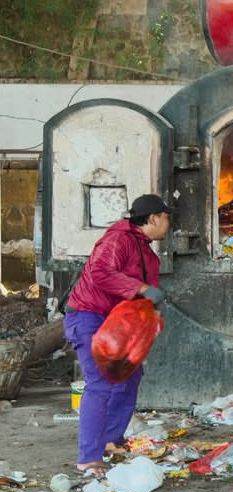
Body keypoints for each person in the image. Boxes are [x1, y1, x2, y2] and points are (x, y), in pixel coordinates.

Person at [63, 194, 169, 473]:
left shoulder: (148, 253)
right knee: (99, 384)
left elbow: (149, 296)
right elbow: (100, 273)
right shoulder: (118, 239)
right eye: (167, 217)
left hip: (117, 323)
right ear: (154, 218)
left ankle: (111, 440)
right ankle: (88, 457)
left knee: (130, 376)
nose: (169, 223)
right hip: (88, 317)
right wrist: (142, 289)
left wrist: (152, 316)